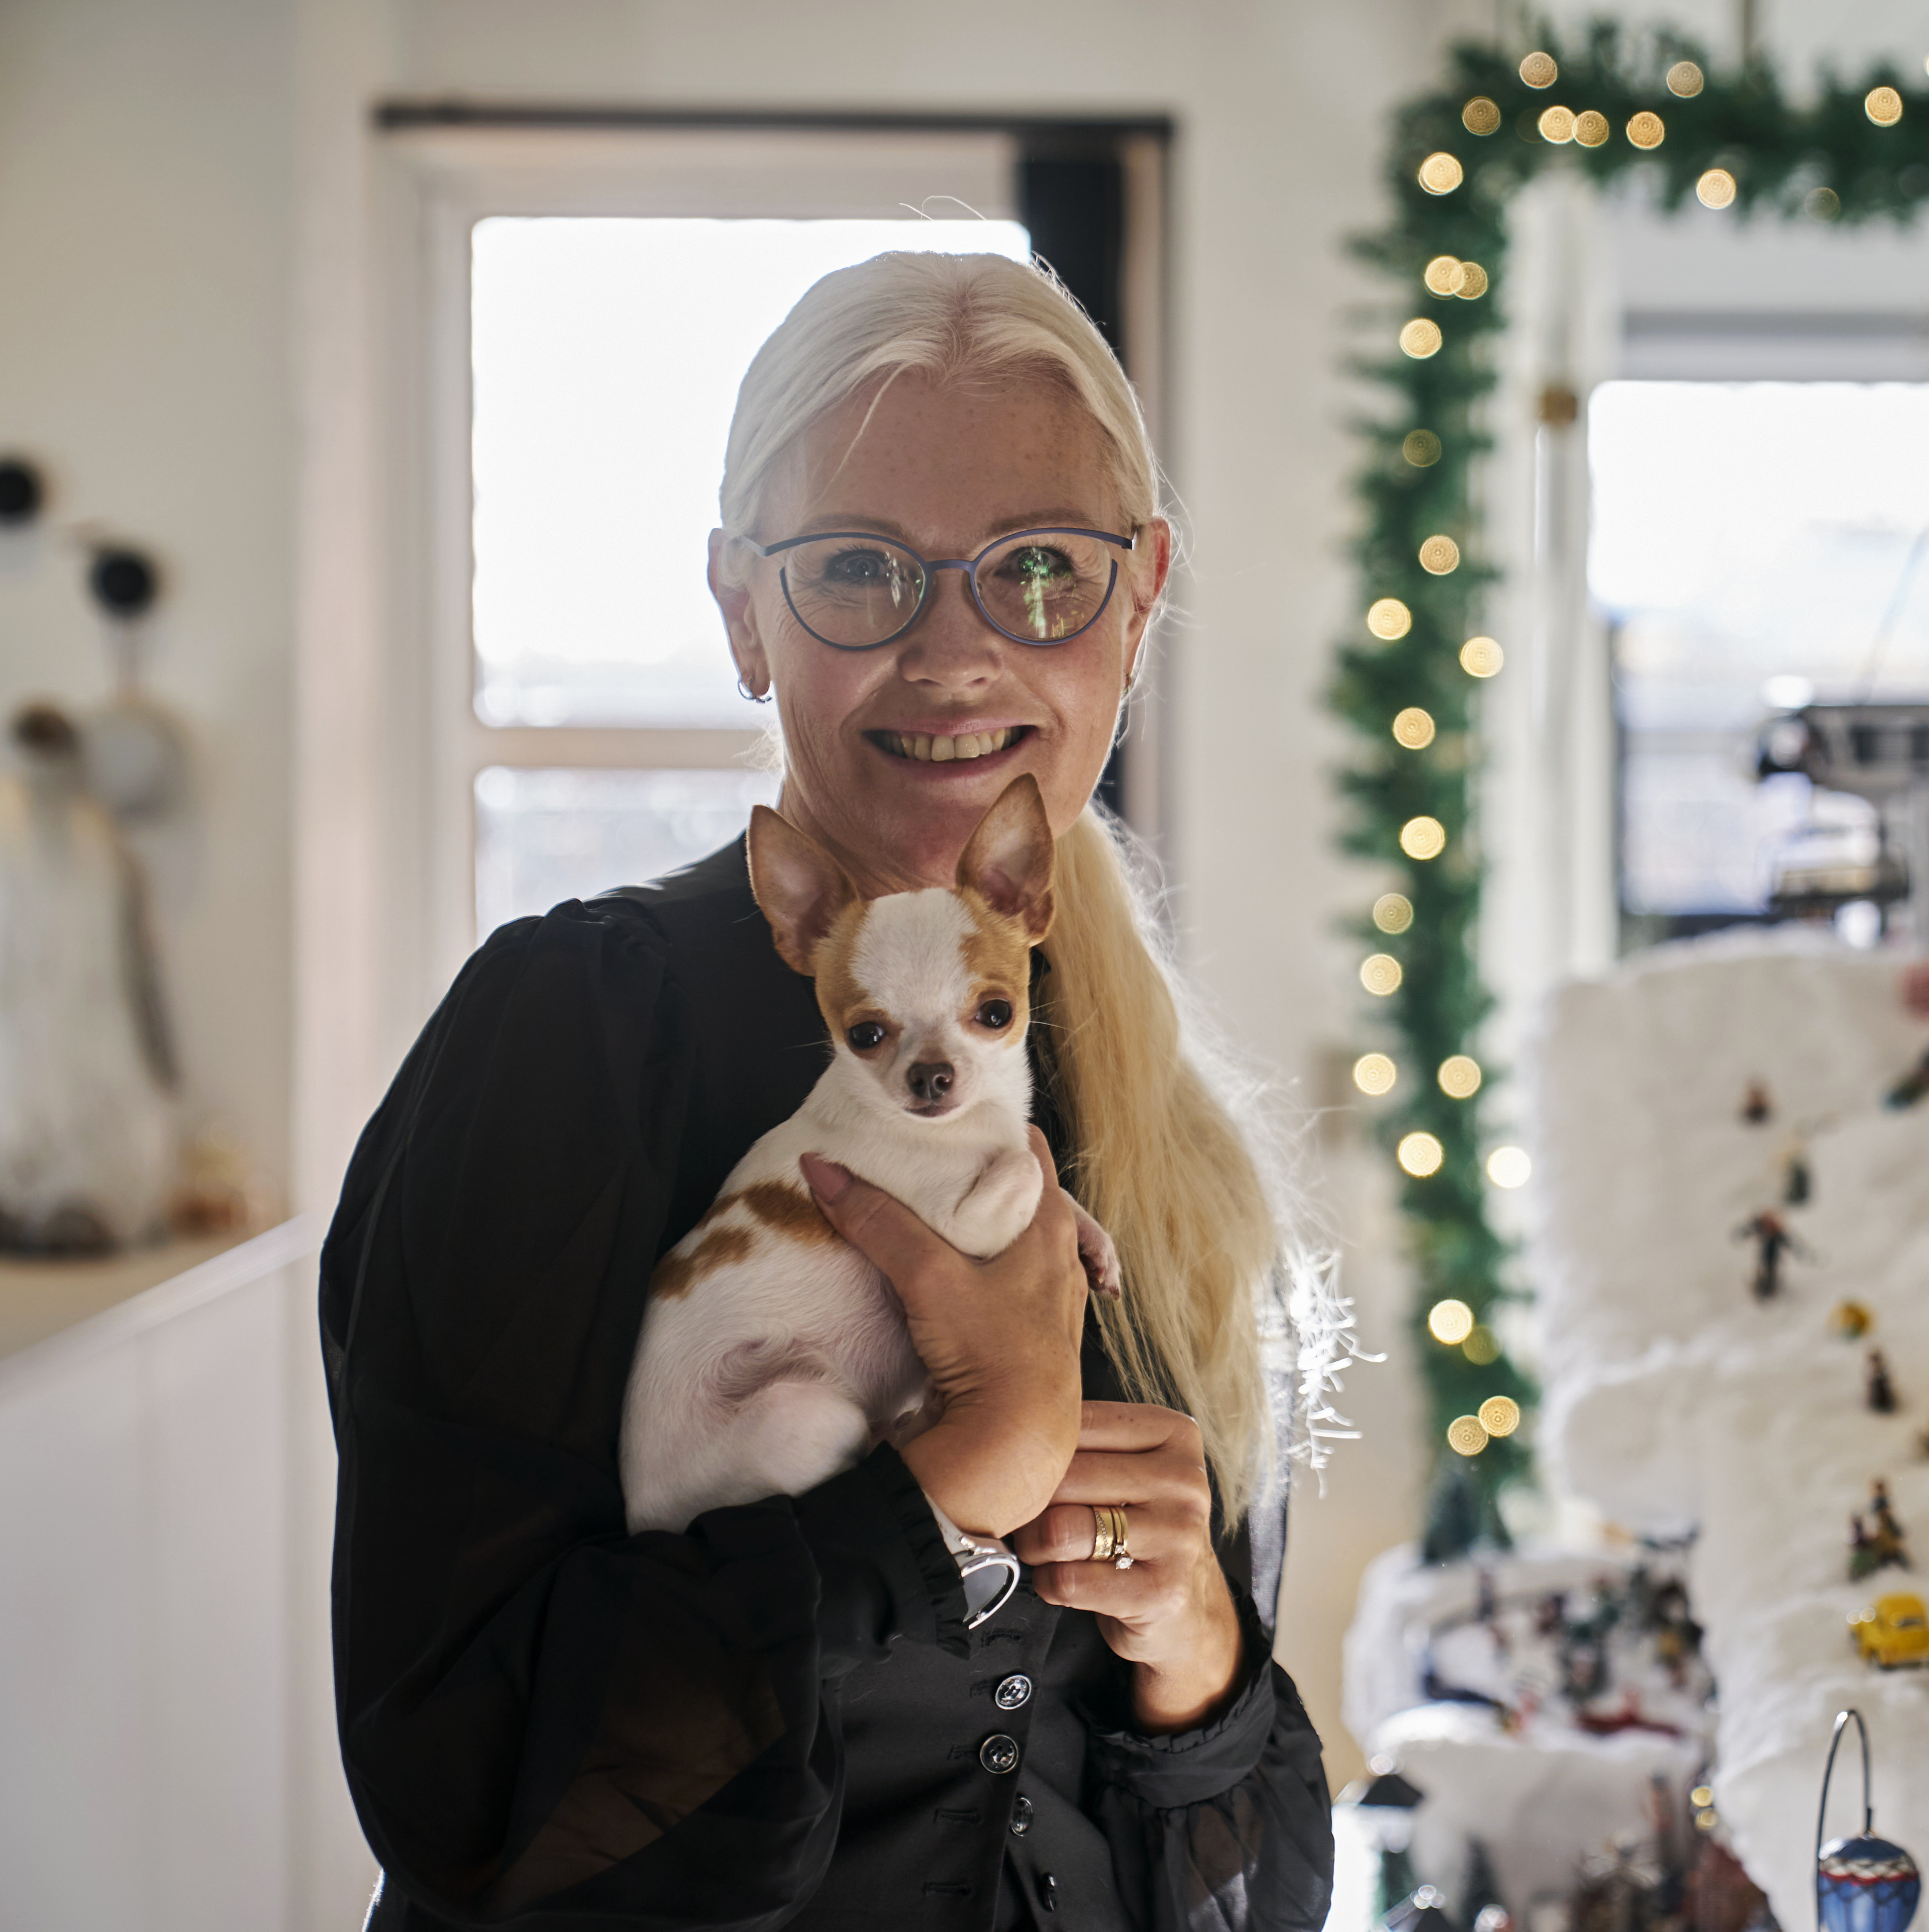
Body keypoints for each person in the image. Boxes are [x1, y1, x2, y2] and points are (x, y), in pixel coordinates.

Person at [321, 252, 1333, 1930]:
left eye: (1042, 570)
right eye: (859, 567)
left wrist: (1197, 1651)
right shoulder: (571, 1039)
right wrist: (936, 1494)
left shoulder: (1159, 1127)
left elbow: (1265, 1886)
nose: (956, 652)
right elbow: (473, 1799)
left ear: (1138, 603)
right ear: (740, 609)